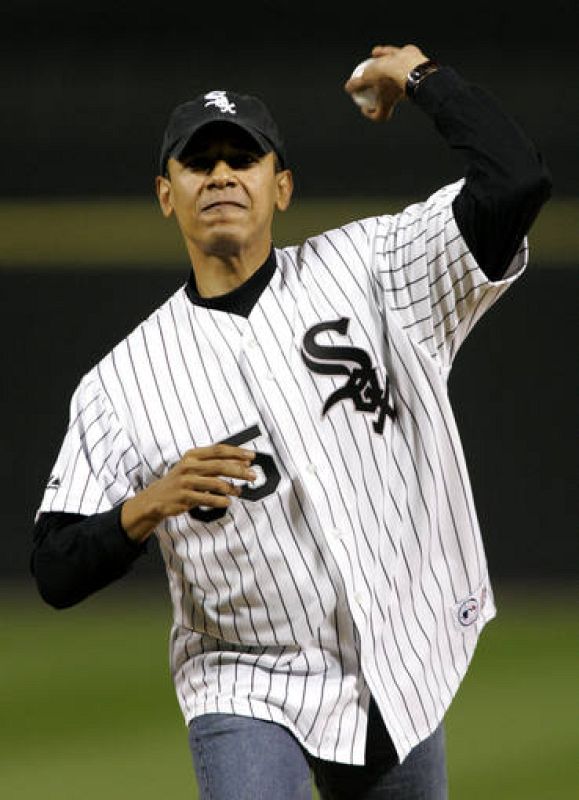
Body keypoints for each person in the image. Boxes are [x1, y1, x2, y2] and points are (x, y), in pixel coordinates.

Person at [31, 43, 551, 800]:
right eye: (196, 162)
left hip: (396, 653)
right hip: (242, 678)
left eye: (241, 159)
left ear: (280, 187)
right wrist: (144, 507)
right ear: (165, 194)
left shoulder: (375, 268)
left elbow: (516, 180)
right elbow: (53, 567)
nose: (219, 174)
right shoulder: (122, 380)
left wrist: (420, 77)